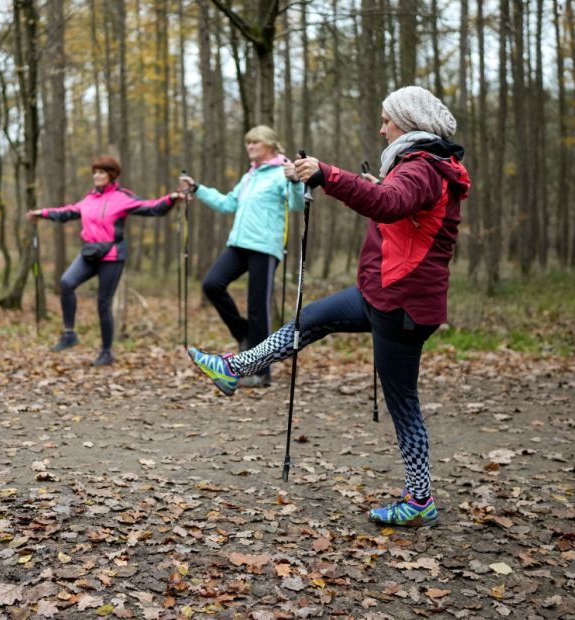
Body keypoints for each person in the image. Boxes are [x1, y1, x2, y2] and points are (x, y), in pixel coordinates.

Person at [188, 86, 471, 527]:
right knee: (308, 320)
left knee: (403, 404)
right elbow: (396, 203)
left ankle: (420, 499)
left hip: (403, 305)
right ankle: (235, 367)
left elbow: (391, 203)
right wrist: (371, 185)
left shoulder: (423, 168)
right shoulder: (419, 166)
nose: (381, 128)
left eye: (386, 119)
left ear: (408, 122)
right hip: (380, 293)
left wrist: (328, 174)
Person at [178, 126, 305, 387]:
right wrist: (198, 189)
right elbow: (227, 204)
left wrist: (294, 181)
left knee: (258, 309)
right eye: (248, 143)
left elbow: (297, 204)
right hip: (239, 243)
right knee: (211, 284)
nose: (250, 147)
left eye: (255, 142)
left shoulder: (283, 170)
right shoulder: (251, 175)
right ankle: (244, 333)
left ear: (269, 144)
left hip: (265, 247)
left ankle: (261, 373)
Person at [28, 156, 182, 367]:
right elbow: (67, 212)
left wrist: (172, 199)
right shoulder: (89, 199)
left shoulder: (123, 197)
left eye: (101, 172)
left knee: (102, 303)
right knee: (66, 283)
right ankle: (69, 334)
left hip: (112, 256)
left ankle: (106, 352)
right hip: (90, 253)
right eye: (95, 172)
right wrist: (42, 213)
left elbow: (152, 208)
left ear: (111, 175)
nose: (97, 176)